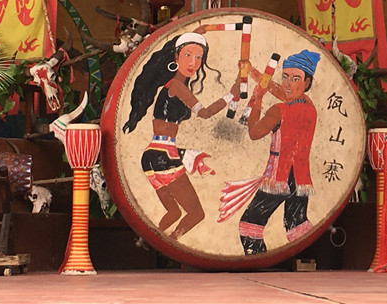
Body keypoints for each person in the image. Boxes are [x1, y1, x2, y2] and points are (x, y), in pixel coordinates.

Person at [122, 32, 241, 240]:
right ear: (176, 57)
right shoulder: (176, 85)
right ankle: (171, 242)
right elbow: (205, 113)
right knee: (196, 214)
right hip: (163, 156)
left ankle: (152, 240)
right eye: (188, 55)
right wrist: (231, 94)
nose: (193, 62)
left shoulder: (176, 85)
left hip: (151, 155)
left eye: (198, 57)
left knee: (175, 213)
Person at [234, 49, 321, 255]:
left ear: (307, 82)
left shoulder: (278, 111)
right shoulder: (309, 106)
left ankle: (258, 261)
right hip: (300, 179)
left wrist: (257, 100)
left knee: (250, 224)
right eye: (285, 77)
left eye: (295, 79)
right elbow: (278, 90)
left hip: (280, 177)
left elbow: (254, 133)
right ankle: (309, 260)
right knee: (296, 224)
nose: (288, 84)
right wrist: (253, 72)